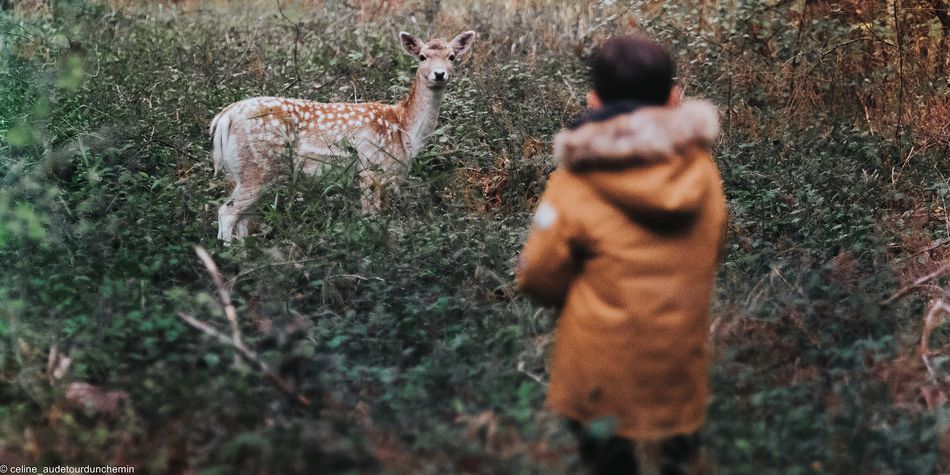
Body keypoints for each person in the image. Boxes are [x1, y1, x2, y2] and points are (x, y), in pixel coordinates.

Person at [516, 34, 727, 475]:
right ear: (672, 98)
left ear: (592, 101)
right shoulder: (702, 174)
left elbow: (537, 276)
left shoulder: (574, 182)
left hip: (597, 385)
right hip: (677, 381)